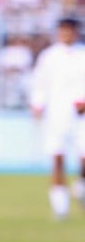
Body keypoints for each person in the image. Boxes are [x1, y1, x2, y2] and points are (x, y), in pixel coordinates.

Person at [29, 15, 85, 219]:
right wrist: (37, 104)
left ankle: (81, 187)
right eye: (63, 30)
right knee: (57, 158)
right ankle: (60, 206)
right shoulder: (49, 57)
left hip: (81, 116)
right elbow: (39, 83)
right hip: (57, 114)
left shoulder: (82, 55)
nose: (66, 33)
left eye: (70, 29)